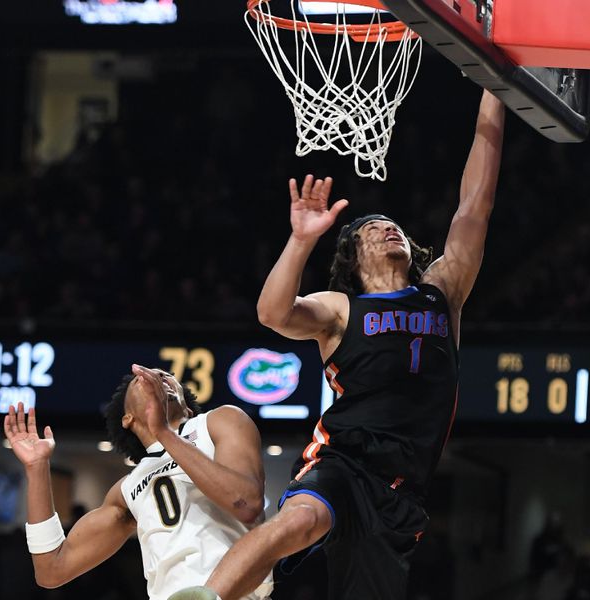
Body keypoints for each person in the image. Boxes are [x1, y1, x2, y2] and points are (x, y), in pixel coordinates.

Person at [170, 90, 505, 600]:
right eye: (374, 228)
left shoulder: (443, 292)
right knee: (298, 521)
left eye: (393, 226)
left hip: (402, 491)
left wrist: (491, 89)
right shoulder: (340, 308)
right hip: (344, 462)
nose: (389, 229)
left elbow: (474, 205)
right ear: (353, 255)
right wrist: (301, 240)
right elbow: (272, 314)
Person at [3, 363, 273, 600]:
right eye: (142, 379)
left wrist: (164, 433)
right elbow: (52, 570)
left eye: (166, 376)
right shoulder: (127, 489)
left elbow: (247, 503)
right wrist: (37, 468)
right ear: (127, 418)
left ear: (187, 408)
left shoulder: (218, 422)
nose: (158, 378)